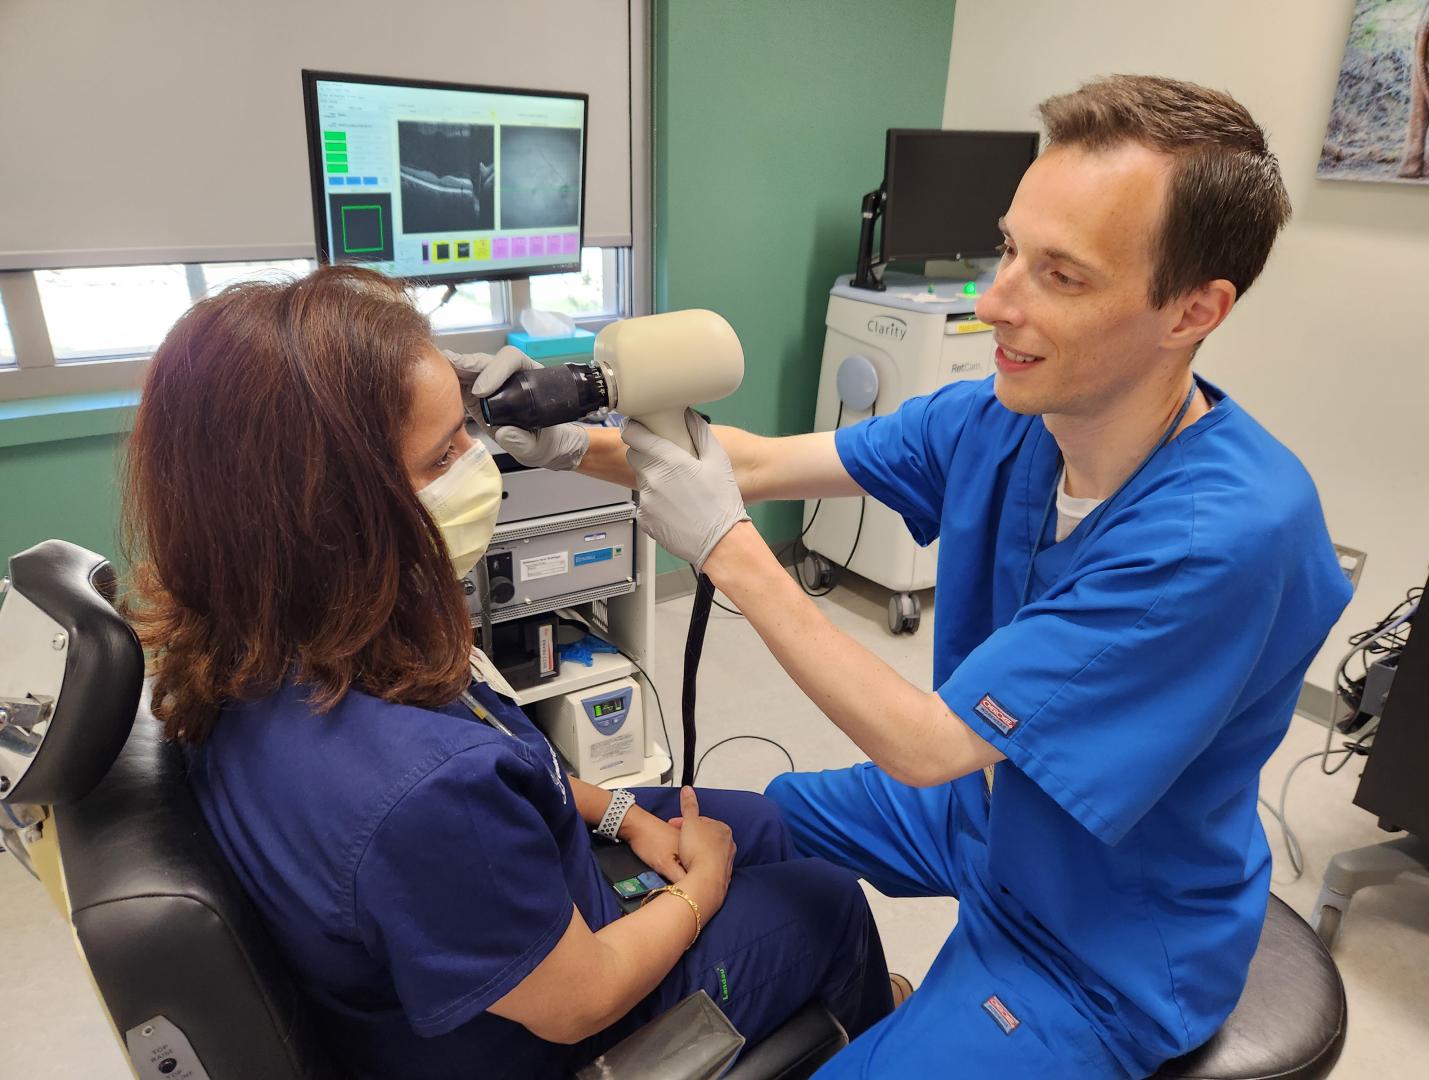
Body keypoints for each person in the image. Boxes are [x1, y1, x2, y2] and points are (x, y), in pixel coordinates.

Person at [462, 76, 1354, 1076]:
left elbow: (932, 746)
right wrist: (572, 442)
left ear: (1195, 309)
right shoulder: (1004, 418)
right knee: (752, 816)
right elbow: (749, 467)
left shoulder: (1225, 536)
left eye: (1061, 276)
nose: (993, 300)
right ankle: (865, 1002)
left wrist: (728, 552)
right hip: (986, 814)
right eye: (1009, 247)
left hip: (1107, 939)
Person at [121, 265, 893, 1080]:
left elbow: (506, 760)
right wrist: (699, 890)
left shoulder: (268, 633)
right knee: (827, 904)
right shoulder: (418, 792)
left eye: (469, 431)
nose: (478, 465)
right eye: (442, 452)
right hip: (550, 1026)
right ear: (329, 515)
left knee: (768, 824)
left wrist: (624, 812)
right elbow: (578, 1001)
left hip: (489, 904)